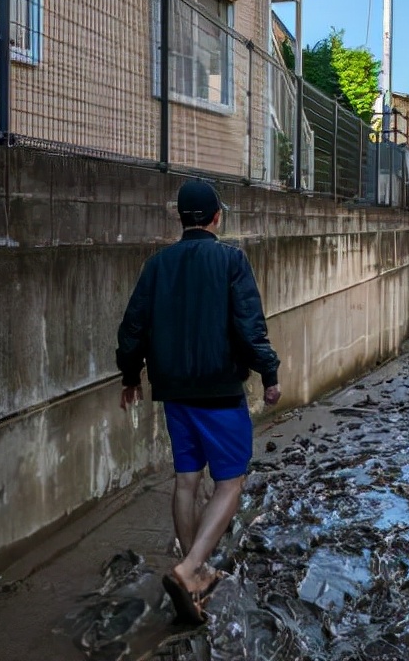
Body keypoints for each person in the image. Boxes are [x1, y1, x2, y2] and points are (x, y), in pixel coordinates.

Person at [116, 179, 281, 625]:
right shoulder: (231, 261)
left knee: (186, 480)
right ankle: (189, 570)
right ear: (215, 217)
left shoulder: (157, 265)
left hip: (174, 393)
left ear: (181, 219)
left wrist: (131, 376)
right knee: (230, 482)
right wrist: (269, 372)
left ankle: (196, 569)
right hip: (219, 392)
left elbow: (132, 328)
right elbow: (249, 329)